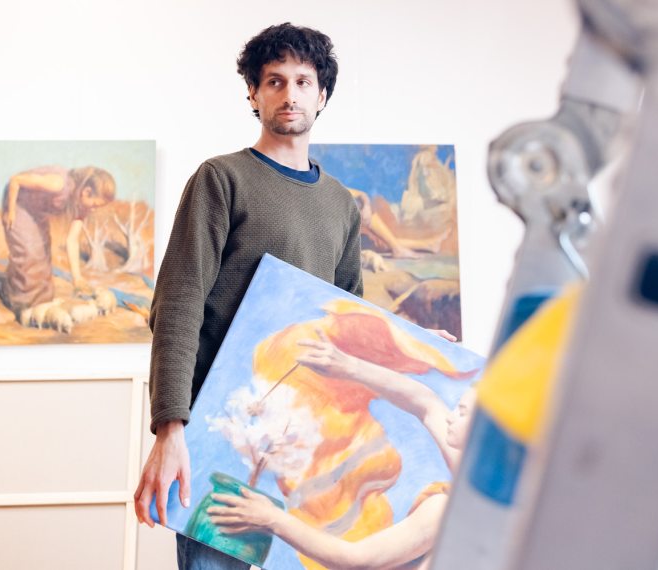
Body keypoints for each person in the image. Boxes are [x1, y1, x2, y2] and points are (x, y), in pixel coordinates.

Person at [134, 23, 363, 570]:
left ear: (322, 95)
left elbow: (348, 320)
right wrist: (170, 428)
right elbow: (178, 306)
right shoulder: (221, 179)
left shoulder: (341, 204)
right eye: (275, 81)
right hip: (220, 433)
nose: (290, 94)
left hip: (305, 440)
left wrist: (414, 342)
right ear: (254, 94)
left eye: (303, 82)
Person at [207, 330, 476, 569]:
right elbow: (426, 403)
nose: (450, 417)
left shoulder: (445, 509)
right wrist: (350, 365)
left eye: (462, 412)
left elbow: (357, 559)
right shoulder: (474, 477)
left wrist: (272, 519)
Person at [0, 165, 116, 317]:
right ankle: (21, 304)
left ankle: (36, 302)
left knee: (42, 254)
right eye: (94, 205)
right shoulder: (58, 184)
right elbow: (16, 180)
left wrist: (77, 278)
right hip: (17, 204)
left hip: (37, 213)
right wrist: (10, 211)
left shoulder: (81, 206)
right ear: (86, 192)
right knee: (29, 252)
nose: (93, 210)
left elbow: (72, 241)